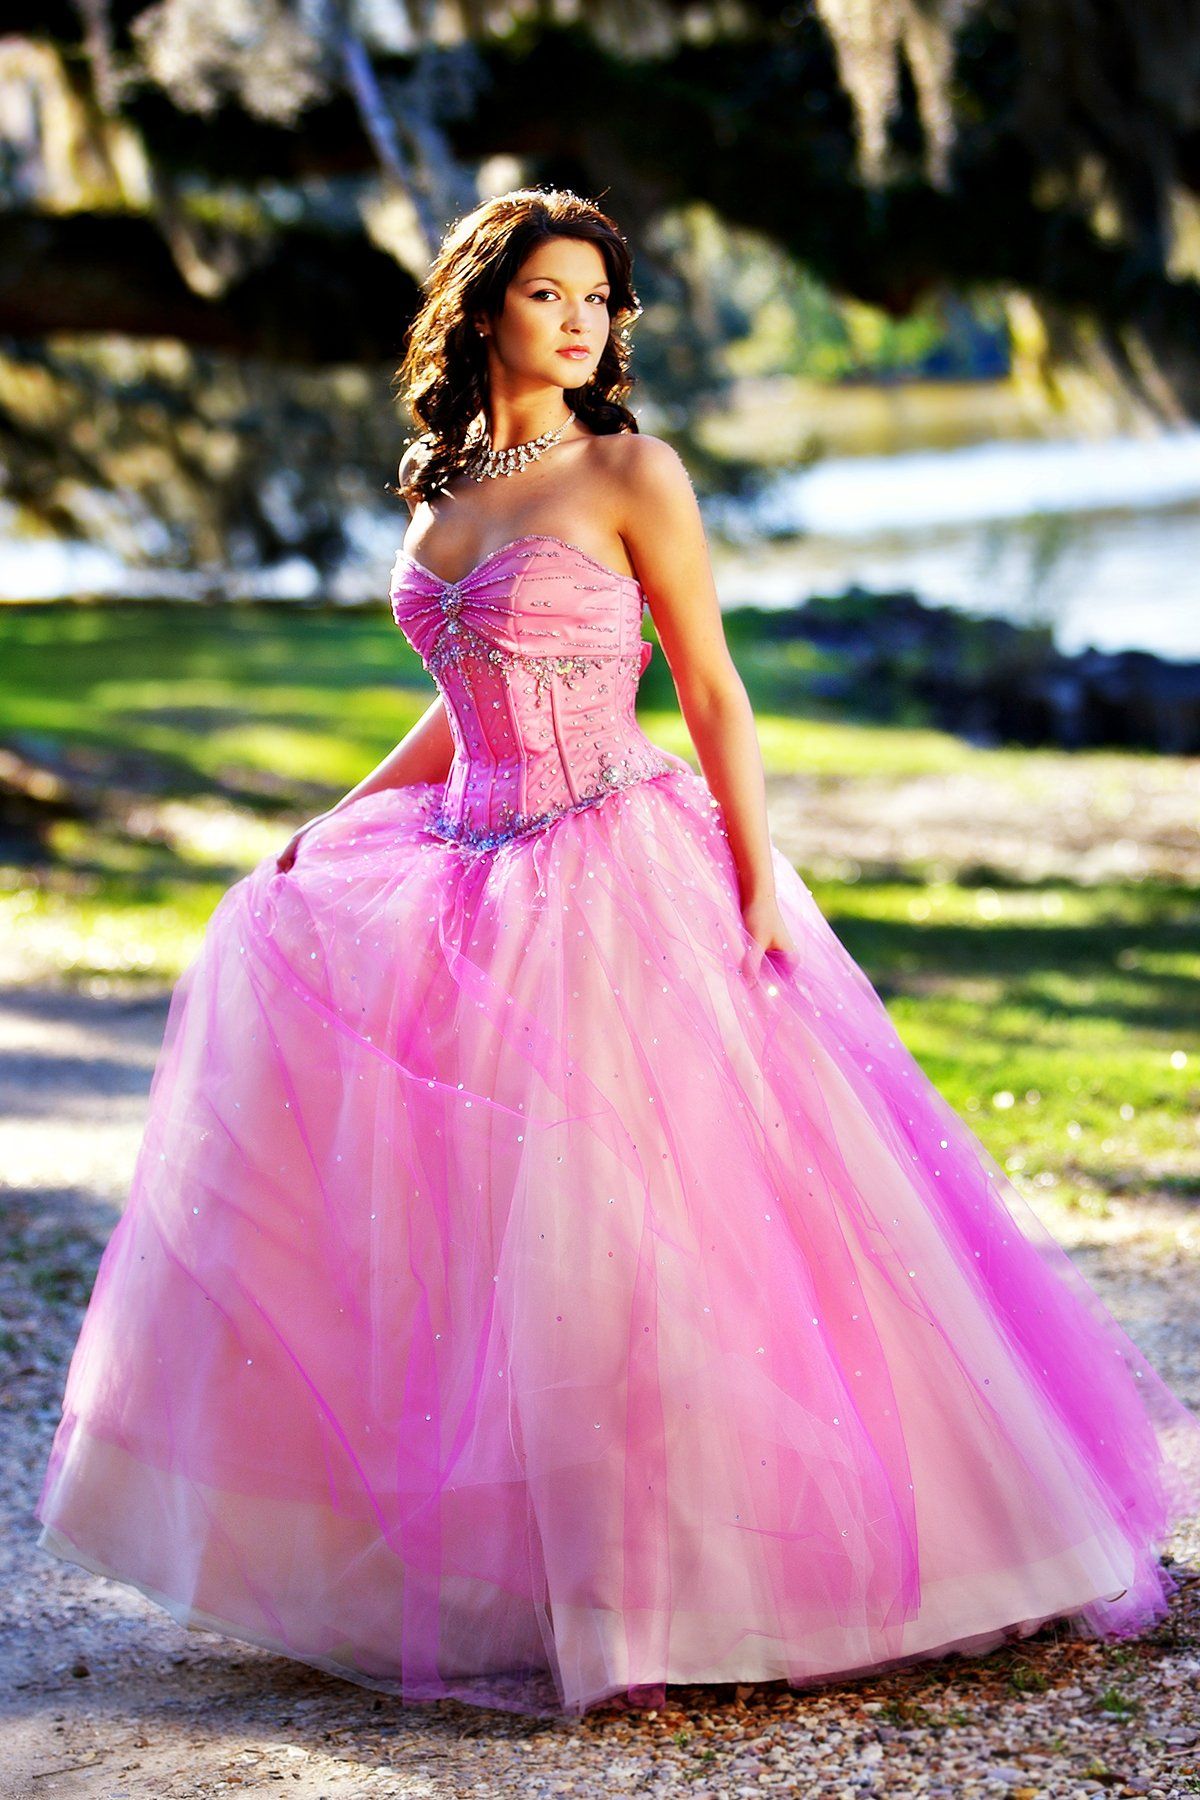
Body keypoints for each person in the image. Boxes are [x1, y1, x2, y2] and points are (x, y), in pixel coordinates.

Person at [36, 186, 1200, 1723]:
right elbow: (460, 706)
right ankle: (527, 1583)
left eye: (600, 299)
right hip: (466, 871)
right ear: (486, 312)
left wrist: (755, 874)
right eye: (551, 296)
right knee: (492, 1256)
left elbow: (710, 685)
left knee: (657, 1237)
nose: (581, 322)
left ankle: (696, 1592)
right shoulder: (444, 490)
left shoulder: (632, 472)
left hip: (614, 863)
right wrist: (328, 822)